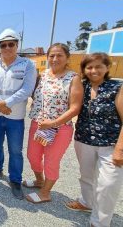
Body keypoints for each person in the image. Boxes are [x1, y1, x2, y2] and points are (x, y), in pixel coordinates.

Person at [65, 53, 123, 227]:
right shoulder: (81, 85)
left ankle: (99, 222)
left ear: (107, 67)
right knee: (86, 176)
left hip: (111, 144)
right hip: (84, 140)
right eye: (89, 67)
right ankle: (86, 203)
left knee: (107, 185)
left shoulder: (117, 87)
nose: (93, 70)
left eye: (98, 66)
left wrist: (120, 148)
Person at [24, 43, 83, 204]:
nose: (55, 59)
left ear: (67, 58)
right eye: (52, 56)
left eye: (59, 55)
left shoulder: (73, 78)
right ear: (47, 57)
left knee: (51, 160)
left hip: (60, 128)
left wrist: (53, 122)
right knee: (33, 156)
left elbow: (75, 107)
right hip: (38, 125)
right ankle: (39, 180)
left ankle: (45, 193)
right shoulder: (43, 75)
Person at [0, 28, 36, 199]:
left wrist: (7, 103)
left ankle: (15, 181)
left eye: (10, 44)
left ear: (17, 45)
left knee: (15, 150)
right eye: (3, 45)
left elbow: (28, 89)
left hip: (15, 117)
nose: (7, 48)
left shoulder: (27, 65)